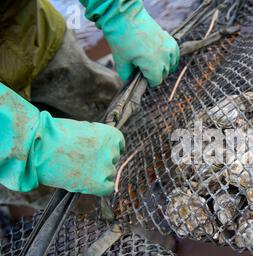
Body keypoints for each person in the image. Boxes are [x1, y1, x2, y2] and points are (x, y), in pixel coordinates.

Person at [0, 0, 179, 204]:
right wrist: (26, 147)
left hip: (30, 37)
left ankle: (163, 165)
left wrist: (118, 12)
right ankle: (120, 215)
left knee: (116, 110)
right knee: (69, 192)